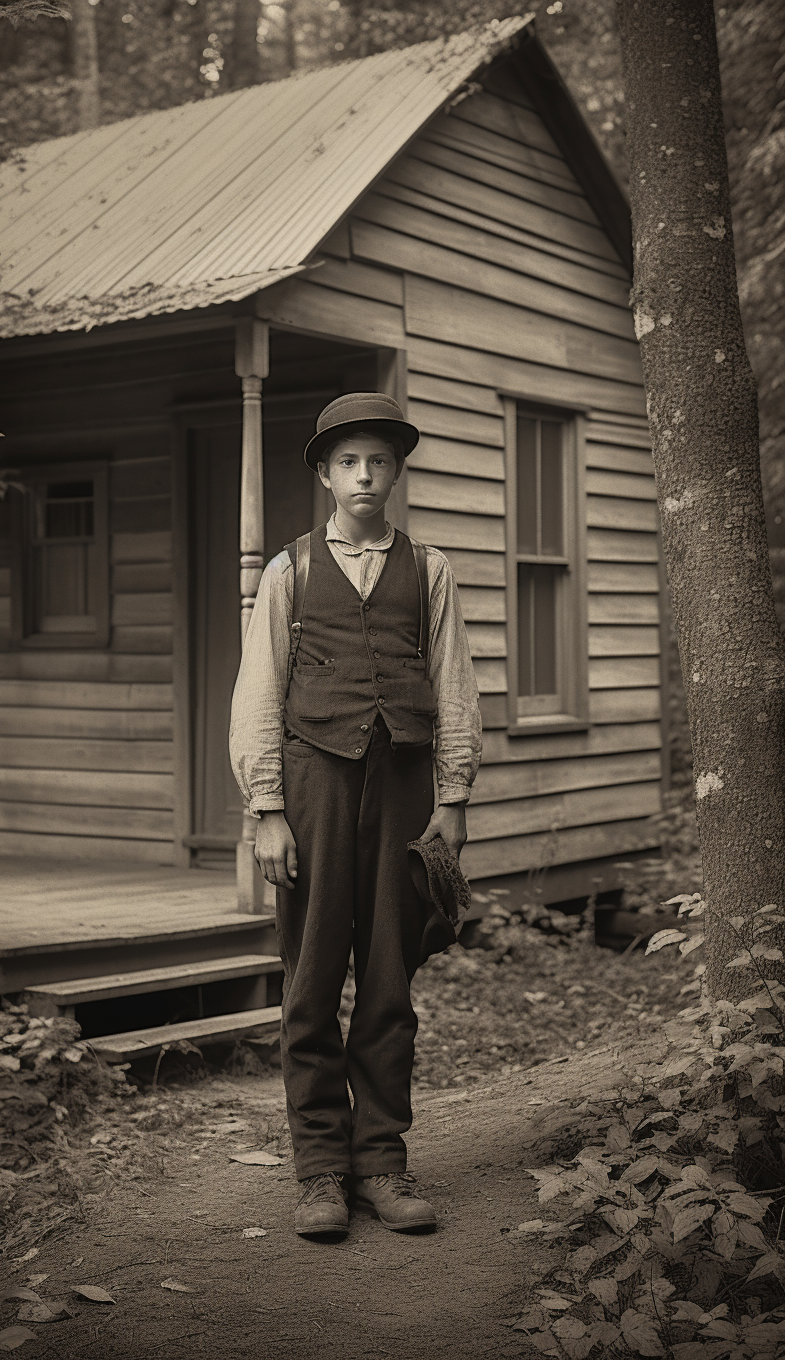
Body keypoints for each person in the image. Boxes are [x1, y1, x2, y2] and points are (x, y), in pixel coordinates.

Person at [229, 392, 481, 1238]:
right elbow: (258, 691)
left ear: (397, 473)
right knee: (309, 984)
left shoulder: (430, 567)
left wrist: (453, 800)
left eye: (378, 461)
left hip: (406, 790)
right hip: (313, 788)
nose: (364, 474)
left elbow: (453, 688)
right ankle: (320, 1173)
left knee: (386, 982)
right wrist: (266, 808)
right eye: (348, 462)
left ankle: (381, 1163)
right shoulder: (290, 571)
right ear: (326, 475)